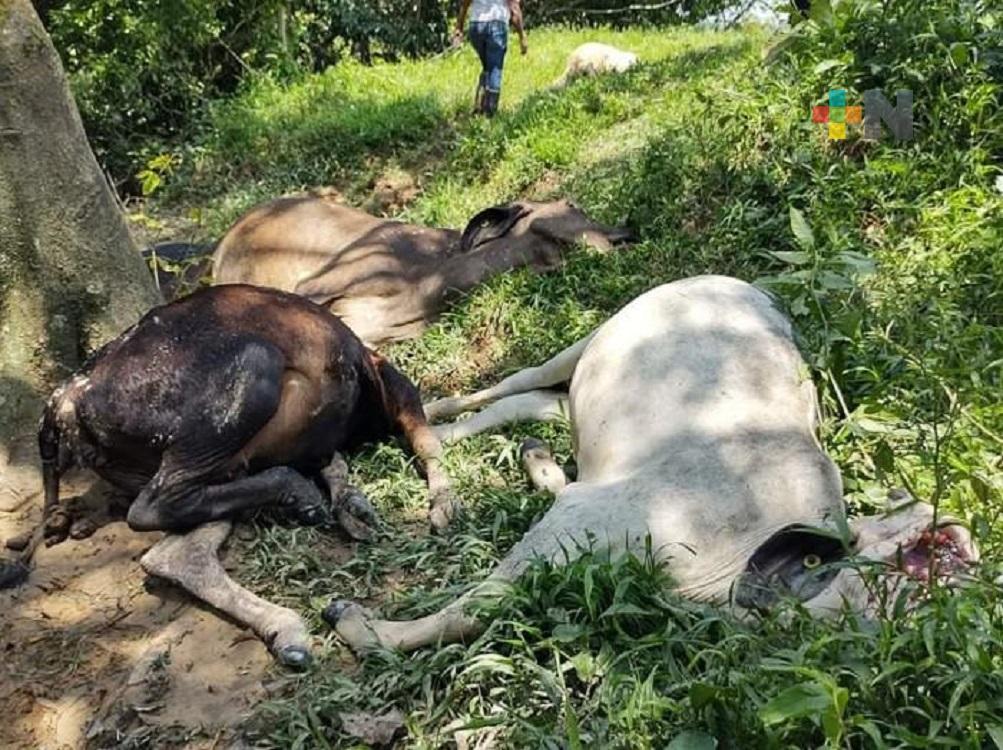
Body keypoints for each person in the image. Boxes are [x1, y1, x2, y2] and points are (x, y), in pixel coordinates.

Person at [454, 0, 527, 117]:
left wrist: (459, 27)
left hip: (476, 25)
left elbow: (465, 3)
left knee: (487, 67)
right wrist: (522, 36)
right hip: (497, 25)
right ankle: (490, 113)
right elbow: (514, 7)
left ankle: (479, 107)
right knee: (495, 68)